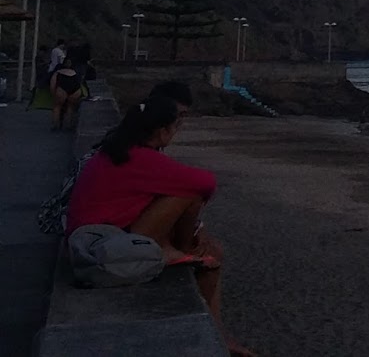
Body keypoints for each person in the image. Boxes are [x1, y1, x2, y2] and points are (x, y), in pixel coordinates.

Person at [65, 93, 253, 357]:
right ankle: (181, 252)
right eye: (176, 126)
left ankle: (219, 334)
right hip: (105, 248)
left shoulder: (118, 149)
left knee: (213, 253)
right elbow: (206, 183)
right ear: (163, 130)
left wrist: (197, 229)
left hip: (93, 239)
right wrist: (192, 234)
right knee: (190, 197)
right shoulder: (141, 158)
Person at [37, 82, 194, 236]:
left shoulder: (128, 136)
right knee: (184, 196)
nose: (178, 121)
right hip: (91, 229)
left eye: (183, 116)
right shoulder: (134, 148)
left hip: (83, 223)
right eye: (176, 114)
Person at [48, 56, 89, 131]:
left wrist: (53, 94)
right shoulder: (76, 72)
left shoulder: (58, 73)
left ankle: (55, 125)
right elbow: (80, 83)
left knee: (57, 106)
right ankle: (68, 125)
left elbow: (52, 85)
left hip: (62, 89)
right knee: (71, 107)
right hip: (75, 89)